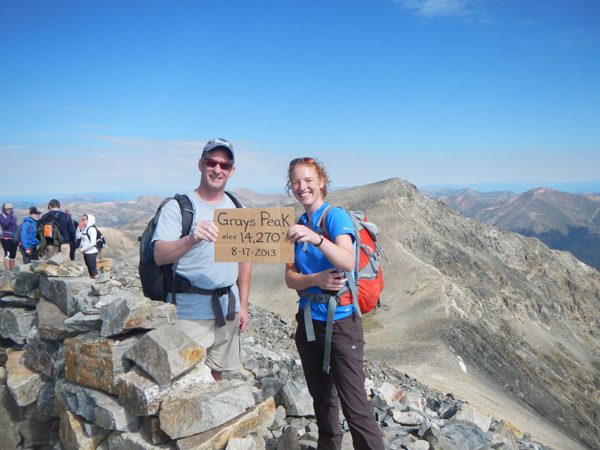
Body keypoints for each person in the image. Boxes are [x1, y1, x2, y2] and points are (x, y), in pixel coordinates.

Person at [285, 157, 384, 450]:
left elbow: (347, 259)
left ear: (321, 183)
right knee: (322, 398)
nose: (302, 187)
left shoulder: (335, 217)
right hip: (308, 321)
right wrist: (314, 279)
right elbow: (290, 278)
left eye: (308, 181)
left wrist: (316, 239)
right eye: (296, 182)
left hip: (341, 322)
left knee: (354, 405)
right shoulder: (299, 224)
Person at [152, 138, 252, 382]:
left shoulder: (238, 209)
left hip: (228, 308)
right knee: (186, 379)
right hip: (188, 311)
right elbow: (159, 255)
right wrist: (191, 238)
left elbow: (244, 260)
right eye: (211, 162)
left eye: (224, 165)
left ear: (232, 171)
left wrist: (244, 306)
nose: (217, 169)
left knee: (216, 375)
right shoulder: (178, 208)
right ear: (200, 164)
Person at [79, 214, 99, 279]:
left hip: (91, 252)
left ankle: (101, 285)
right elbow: (77, 236)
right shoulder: (84, 229)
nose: (82, 221)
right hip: (86, 252)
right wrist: (78, 228)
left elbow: (93, 243)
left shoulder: (91, 229)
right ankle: (93, 285)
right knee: (90, 271)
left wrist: (82, 249)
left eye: (84, 219)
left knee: (93, 271)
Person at [0, 202, 18, 270]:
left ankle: (12, 268)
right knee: (8, 253)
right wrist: (10, 214)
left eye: (10, 208)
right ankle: (8, 270)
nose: (9, 210)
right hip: (5, 237)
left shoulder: (13, 216)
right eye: (7, 208)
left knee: (13, 254)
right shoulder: (1, 216)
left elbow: (14, 225)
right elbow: (5, 223)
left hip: (13, 237)